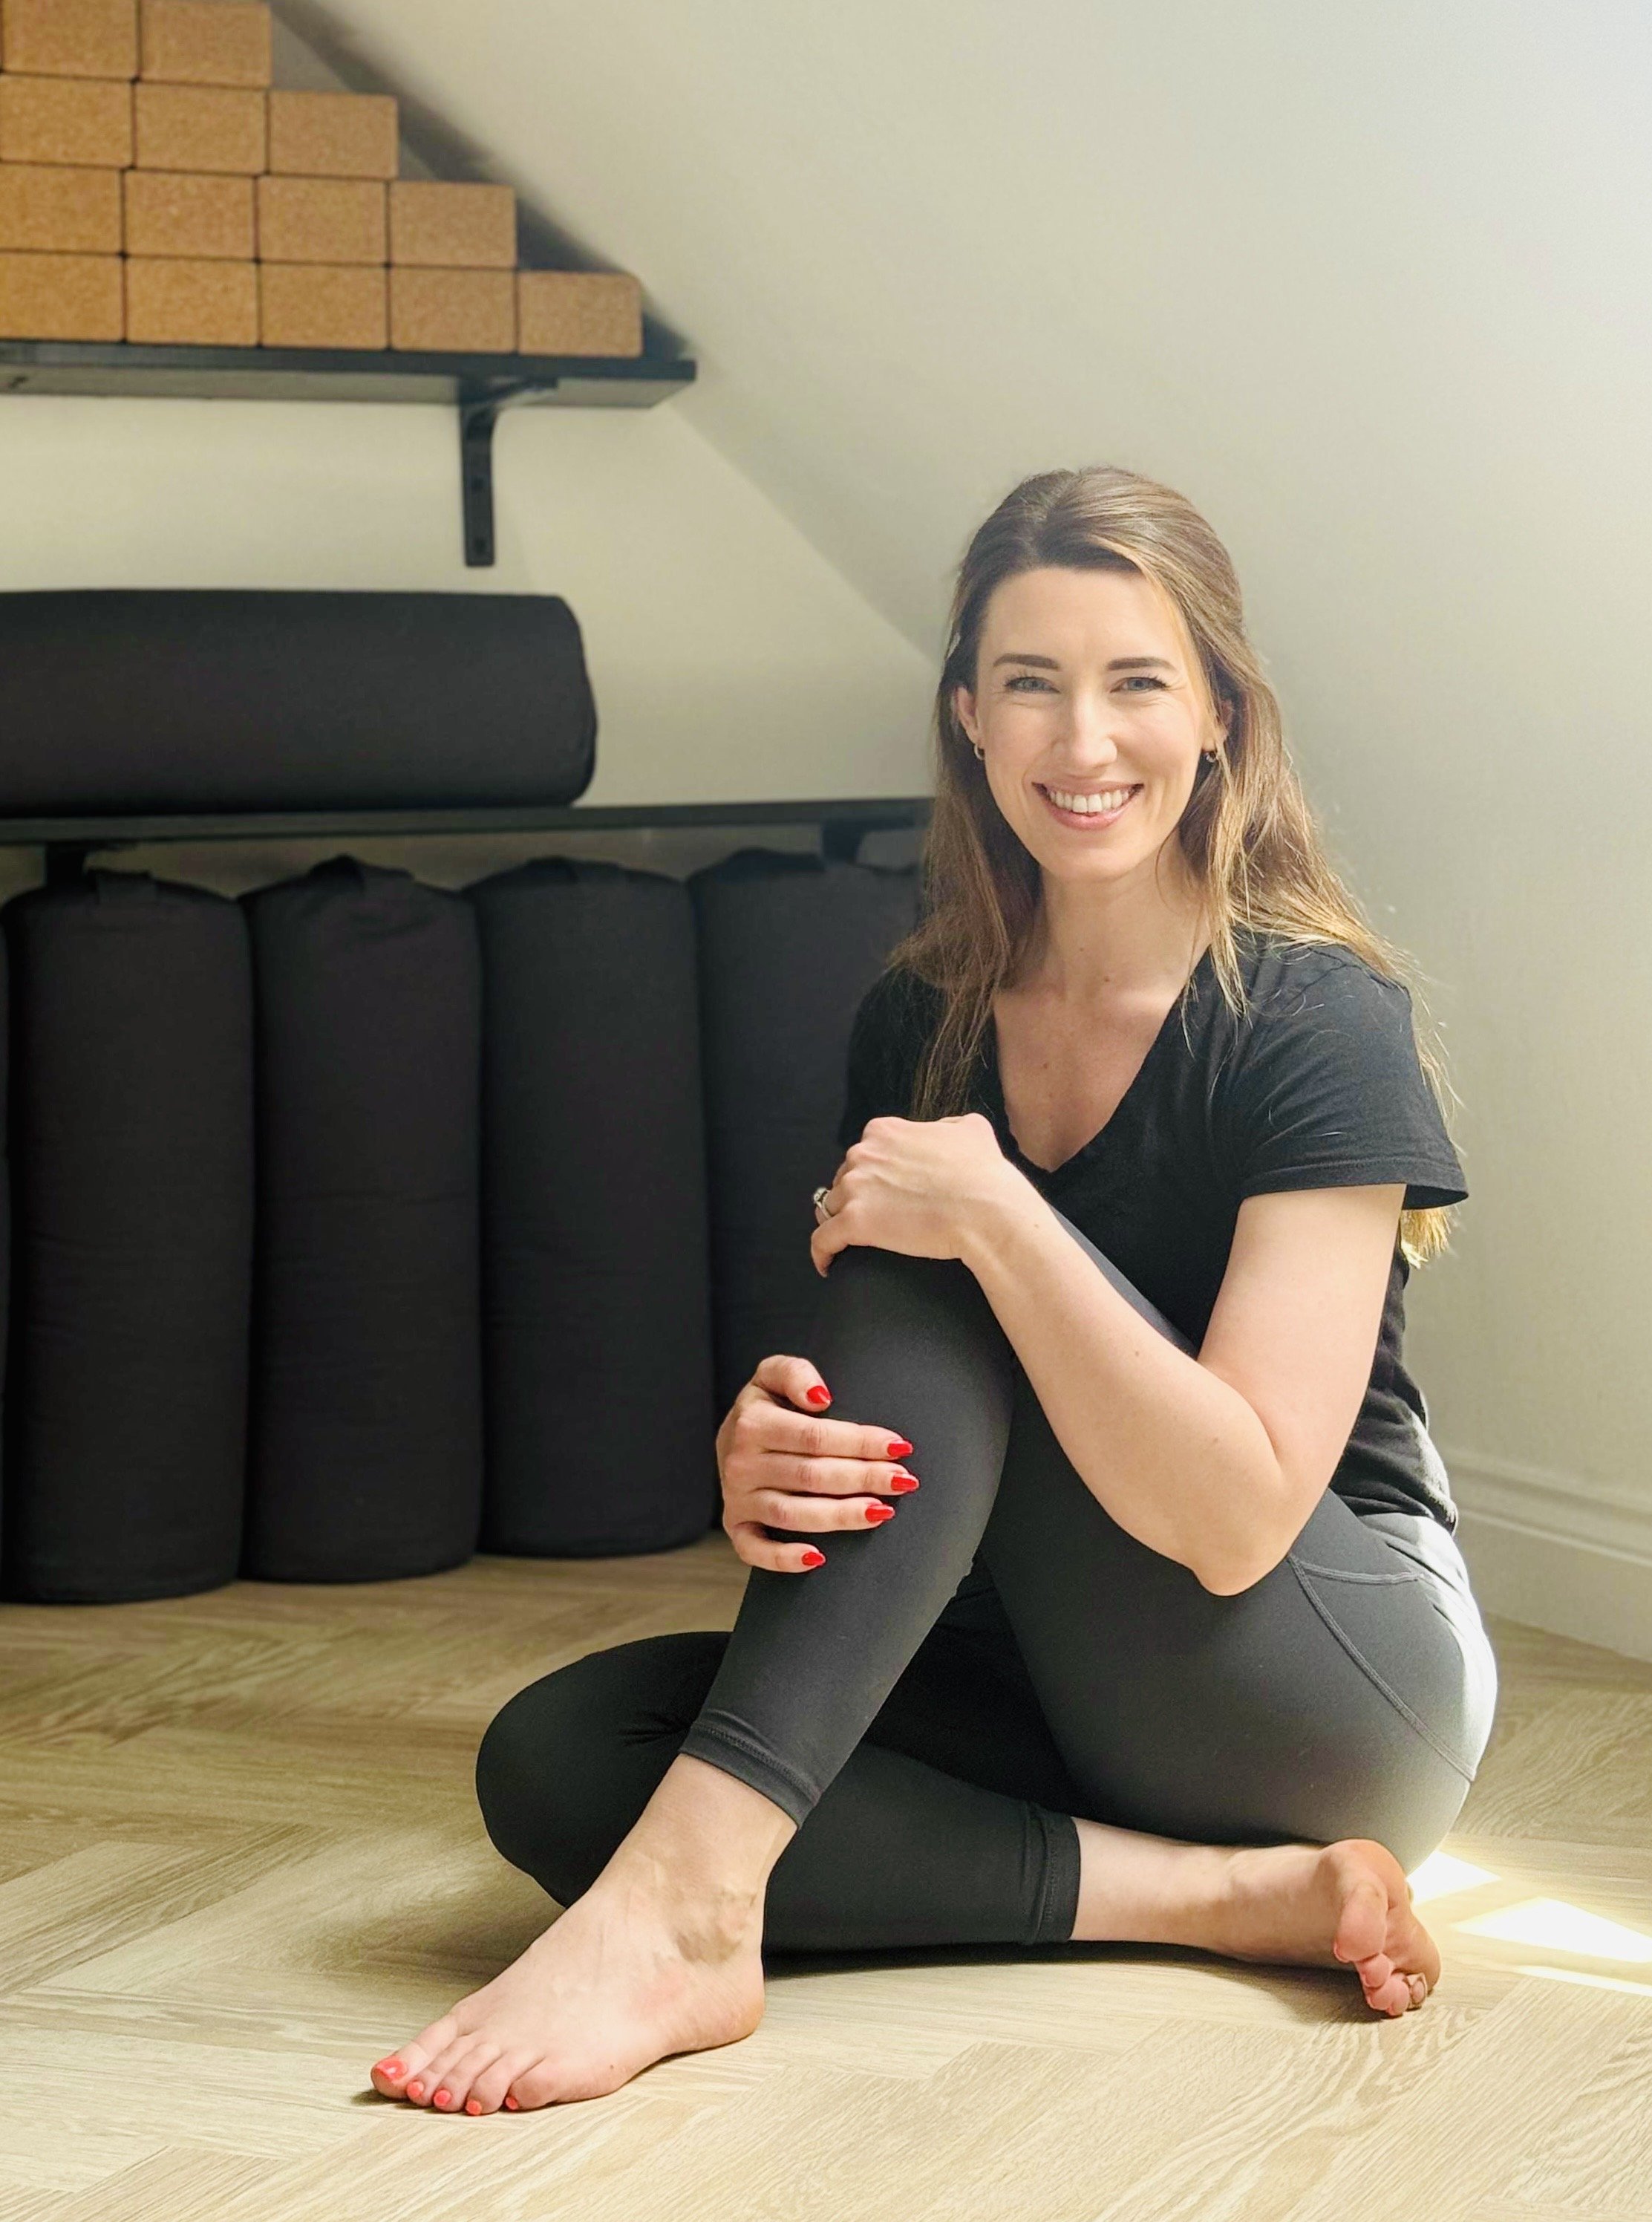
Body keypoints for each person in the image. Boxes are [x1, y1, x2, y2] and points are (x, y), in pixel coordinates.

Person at [368, 463, 1498, 2118]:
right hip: (1052, 1661)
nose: (1080, 740)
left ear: (1219, 719)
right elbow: (903, 1400)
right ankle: (1216, 1896)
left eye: (1134, 683)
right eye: (1028, 683)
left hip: (1323, 1678)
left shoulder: (1314, 1018)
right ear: (968, 713)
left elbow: (1243, 1510)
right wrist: (772, 1449)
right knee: (561, 1762)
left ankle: (685, 1916)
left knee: (945, 1243)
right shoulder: (926, 1018)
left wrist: (999, 1218)